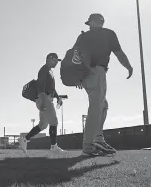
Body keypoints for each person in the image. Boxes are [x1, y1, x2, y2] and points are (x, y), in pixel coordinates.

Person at [75, 13, 133, 156]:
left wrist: (78, 77)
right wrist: (129, 67)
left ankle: (98, 138)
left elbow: (74, 57)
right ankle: (88, 147)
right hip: (96, 72)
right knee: (95, 108)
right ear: (98, 22)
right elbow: (119, 53)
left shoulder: (82, 37)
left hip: (85, 76)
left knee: (103, 105)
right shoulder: (108, 33)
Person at [19, 53, 64, 153]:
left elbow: (52, 88)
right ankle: (53, 146)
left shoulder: (49, 71)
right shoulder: (44, 70)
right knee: (54, 121)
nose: (57, 62)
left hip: (47, 98)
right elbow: (40, 86)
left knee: (43, 125)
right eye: (55, 60)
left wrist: (57, 97)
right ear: (49, 59)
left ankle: (25, 139)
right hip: (44, 98)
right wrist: (41, 101)